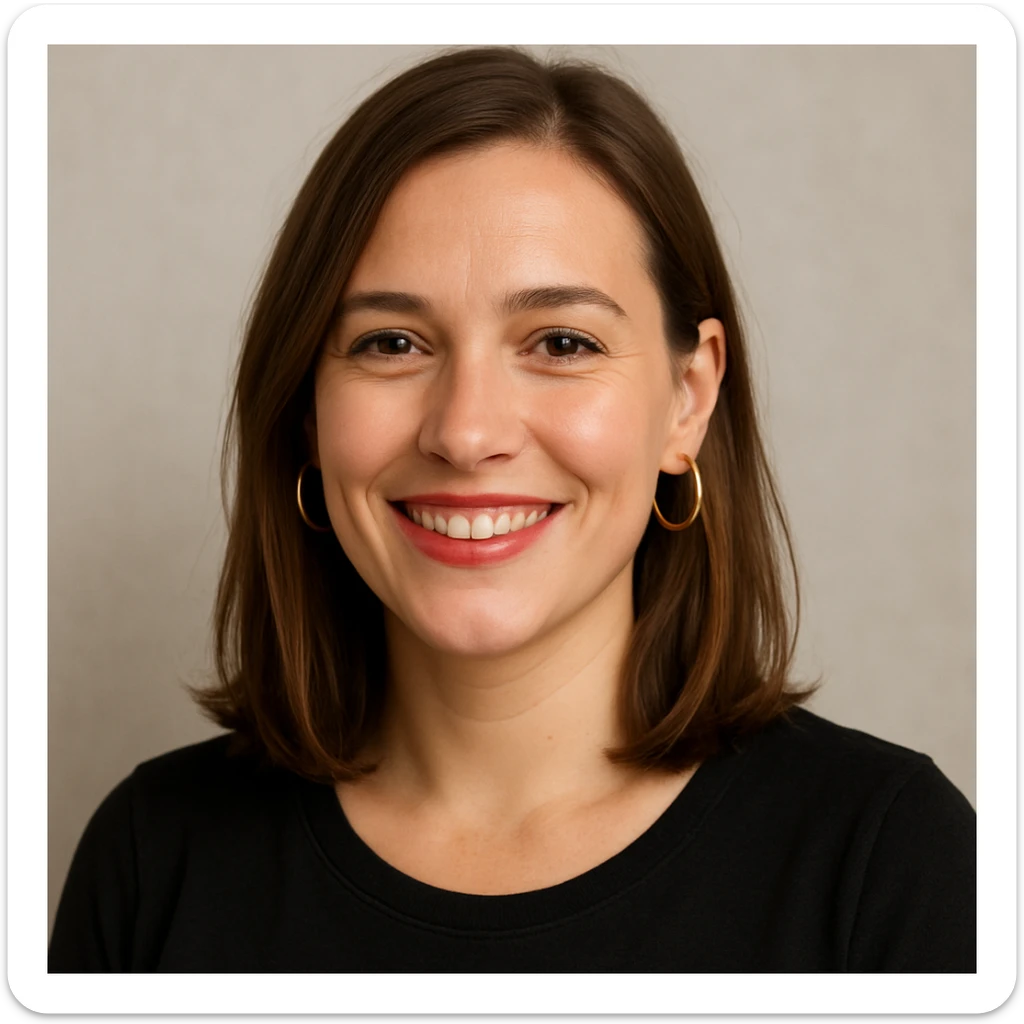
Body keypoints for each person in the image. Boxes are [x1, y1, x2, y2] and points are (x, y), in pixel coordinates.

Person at [48, 45, 975, 973]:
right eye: (392, 342)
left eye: (562, 341)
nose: (466, 432)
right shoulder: (152, 862)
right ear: (306, 412)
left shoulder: (890, 866)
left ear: (688, 400)